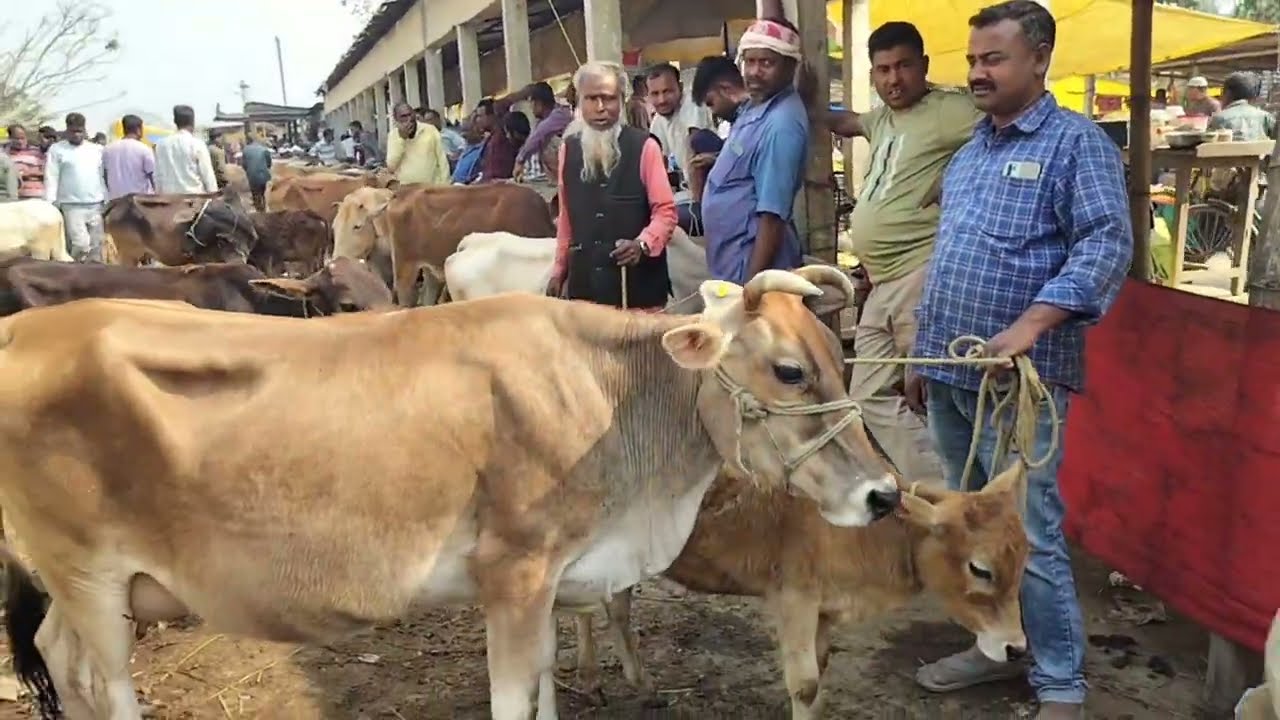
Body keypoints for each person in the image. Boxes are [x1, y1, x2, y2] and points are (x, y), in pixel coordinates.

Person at [904, 4, 1131, 719]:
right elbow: (949, 260)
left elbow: (1105, 244)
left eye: (993, 59)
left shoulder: (1076, 144)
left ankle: (1060, 683)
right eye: (972, 59)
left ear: (1039, 60)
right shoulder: (973, 151)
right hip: (951, 370)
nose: (977, 71)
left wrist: (1033, 323)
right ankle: (995, 646)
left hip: (1019, 388)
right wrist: (924, 355)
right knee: (971, 528)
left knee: (1027, 533)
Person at [823, 21, 983, 481]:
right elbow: (846, 121)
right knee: (869, 392)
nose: (894, 79)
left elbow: (1004, 123)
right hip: (882, 280)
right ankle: (936, 488)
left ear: (924, 66)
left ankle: (953, 500)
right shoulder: (883, 118)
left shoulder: (951, 110)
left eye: (904, 66)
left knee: (929, 395)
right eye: (883, 69)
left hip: (922, 271)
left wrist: (956, 176)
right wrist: (804, 101)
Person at [546, 61, 677, 311]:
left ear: (622, 100)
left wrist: (642, 243)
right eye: (591, 99)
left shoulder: (645, 147)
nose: (600, 108)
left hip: (639, 293)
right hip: (586, 291)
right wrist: (559, 270)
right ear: (580, 102)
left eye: (608, 98)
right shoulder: (568, 149)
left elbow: (666, 212)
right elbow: (567, 219)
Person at [700, 18, 808, 285]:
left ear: (790, 66)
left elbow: (772, 217)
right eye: (750, 62)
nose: (754, 72)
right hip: (730, 261)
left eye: (767, 63)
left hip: (749, 267)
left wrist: (750, 291)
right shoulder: (757, 105)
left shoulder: (782, 124)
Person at [43, 112, 107, 262]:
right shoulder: (57, 150)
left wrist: (106, 198)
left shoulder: (96, 150)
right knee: (81, 244)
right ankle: (74, 272)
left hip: (96, 203)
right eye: (73, 131)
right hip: (71, 205)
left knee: (97, 246)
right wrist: (51, 202)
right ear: (67, 130)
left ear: (84, 130)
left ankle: (94, 277)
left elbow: (102, 175)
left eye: (80, 131)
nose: (77, 135)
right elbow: (51, 176)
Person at [645, 63, 715, 185]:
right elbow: (659, 160)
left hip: (713, 180)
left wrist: (696, 201)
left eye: (667, 91)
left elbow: (694, 154)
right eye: (655, 94)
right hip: (693, 184)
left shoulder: (692, 103)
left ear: (681, 87)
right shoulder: (658, 120)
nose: (661, 100)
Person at [514, 82, 574, 181]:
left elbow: (538, 136)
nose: (530, 107)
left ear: (538, 103)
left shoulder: (558, 115)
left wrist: (520, 160)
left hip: (573, 168)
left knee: (549, 142)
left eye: (531, 102)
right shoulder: (544, 120)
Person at [154, 105, 218, 194]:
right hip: (195, 202)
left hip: (169, 202)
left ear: (175, 122)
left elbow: (157, 177)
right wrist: (214, 195)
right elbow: (208, 176)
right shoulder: (197, 144)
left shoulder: (161, 145)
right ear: (193, 122)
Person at [386, 101, 451, 186]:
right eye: (404, 116)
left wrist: (445, 186)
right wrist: (402, 140)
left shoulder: (430, 130)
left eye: (410, 114)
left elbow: (442, 161)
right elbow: (391, 166)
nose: (409, 119)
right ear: (396, 119)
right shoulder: (393, 136)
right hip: (407, 190)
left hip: (431, 189)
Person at [1208, 70, 1276, 141]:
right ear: (1254, 97)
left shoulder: (1219, 119)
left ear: (1227, 94)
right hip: (1260, 151)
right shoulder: (1266, 117)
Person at [102, 114, 156, 200]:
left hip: (116, 202)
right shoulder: (144, 149)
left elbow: (105, 175)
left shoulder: (108, 149)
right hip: (139, 202)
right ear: (138, 129)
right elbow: (153, 176)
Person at [3, 124, 48, 199]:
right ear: (10, 138)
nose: (20, 141)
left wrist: (28, 172)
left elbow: (46, 172)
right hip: (17, 196)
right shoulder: (5, 154)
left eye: (22, 138)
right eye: (16, 139)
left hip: (38, 195)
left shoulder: (37, 152)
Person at [241, 135, 273, 212]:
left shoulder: (245, 150)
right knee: (263, 192)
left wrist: (249, 170)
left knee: (255, 194)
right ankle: (265, 207)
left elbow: (244, 165)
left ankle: (259, 210)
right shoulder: (264, 149)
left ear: (247, 141)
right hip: (264, 175)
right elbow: (269, 163)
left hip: (252, 176)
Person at [451, 121, 487, 185]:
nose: (464, 135)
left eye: (467, 130)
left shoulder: (484, 149)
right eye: (463, 131)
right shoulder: (464, 148)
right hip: (456, 184)